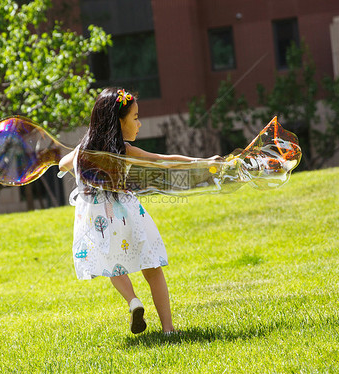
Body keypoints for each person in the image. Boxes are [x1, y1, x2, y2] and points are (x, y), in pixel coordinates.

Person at [59, 87, 220, 334]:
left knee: (114, 266)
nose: (139, 123)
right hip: (126, 216)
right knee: (152, 268)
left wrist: (84, 175)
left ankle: (133, 301)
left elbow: (62, 163)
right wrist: (203, 162)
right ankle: (168, 329)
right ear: (118, 122)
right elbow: (162, 159)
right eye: (135, 118)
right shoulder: (122, 150)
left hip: (97, 218)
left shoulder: (81, 152)